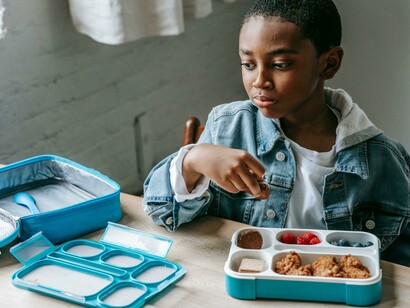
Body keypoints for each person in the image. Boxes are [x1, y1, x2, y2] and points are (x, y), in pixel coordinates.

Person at [142, 0, 410, 267]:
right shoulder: (227, 128)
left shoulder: (382, 160)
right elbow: (160, 211)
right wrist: (193, 160)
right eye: (248, 64)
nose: (259, 81)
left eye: (280, 65)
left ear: (328, 64)